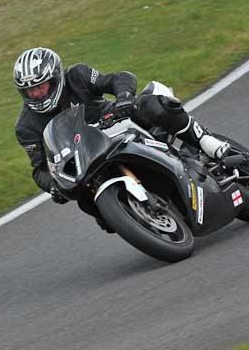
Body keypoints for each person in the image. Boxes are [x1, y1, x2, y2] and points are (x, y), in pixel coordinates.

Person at [13, 47, 231, 229]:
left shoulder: (77, 76)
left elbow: (119, 78)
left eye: (39, 86)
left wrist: (124, 98)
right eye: (29, 90)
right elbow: (40, 168)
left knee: (153, 106)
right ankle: (141, 216)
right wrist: (53, 186)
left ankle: (208, 143)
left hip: (118, 124)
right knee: (100, 216)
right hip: (88, 159)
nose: (35, 94)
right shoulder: (26, 127)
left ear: (55, 79)